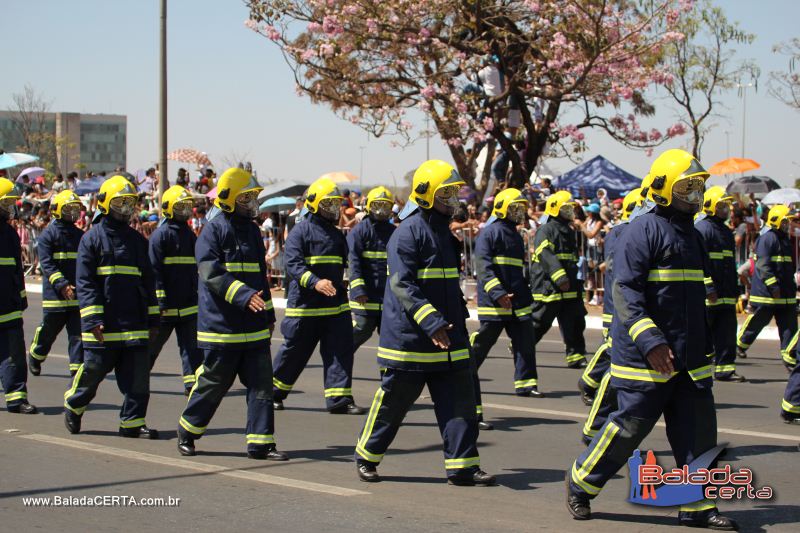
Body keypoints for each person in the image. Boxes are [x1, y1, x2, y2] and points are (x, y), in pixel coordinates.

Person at [566, 149, 737, 531]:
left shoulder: (693, 235)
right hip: (648, 356)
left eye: (698, 187)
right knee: (628, 430)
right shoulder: (641, 231)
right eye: (687, 187)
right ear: (663, 191)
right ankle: (580, 483)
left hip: (689, 358)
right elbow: (626, 291)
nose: (696, 194)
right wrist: (652, 342)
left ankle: (696, 507)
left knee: (698, 433)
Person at [354, 160, 495, 486]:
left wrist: (455, 321)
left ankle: (463, 466)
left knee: (461, 402)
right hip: (412, 340)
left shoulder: (443, 232)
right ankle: (367, 455)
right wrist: (431, 322)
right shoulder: (407, 233)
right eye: (446, 193)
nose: (453, 199)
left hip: (450, 337)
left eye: (453, 193)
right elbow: (404, 285)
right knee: (393, 404)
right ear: (426, 195)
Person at [177, 168, 287, 460]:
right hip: (221, 327)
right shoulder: (213, 230)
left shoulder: (251, 229)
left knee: (262, 385)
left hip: (252, 325)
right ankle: (188, 430)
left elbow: (259, 275)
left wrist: (266, 313)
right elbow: (210, 272)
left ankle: (261, 443)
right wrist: (242, 295)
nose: (252, 202)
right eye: (246, 197)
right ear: (229, 200)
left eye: (253, 196)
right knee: (214, 383)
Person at [64, 175, 160, 438]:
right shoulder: (91, 239)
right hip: (104, 325)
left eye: (130, 202)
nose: (127, 208)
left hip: (135, 323)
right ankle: (74, 404)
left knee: (139, 379)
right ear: (105, 204)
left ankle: (132, 422)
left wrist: (153, 319)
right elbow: (85, 283)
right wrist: (93, 318)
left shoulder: (138, 241)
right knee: (93, 373)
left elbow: (148, 282)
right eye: (121, 203)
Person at [271, 177, 366, 415]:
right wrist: (315, 282)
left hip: (335, 307)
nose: (334, 209)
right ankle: (273, 393)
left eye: (336, 204)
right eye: (329, 204)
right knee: (294, 353)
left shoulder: (336, 235)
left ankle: (339, 399)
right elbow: (293, 264)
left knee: (340, 351)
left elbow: (350, 263)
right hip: (306, 307)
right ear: (314, 205)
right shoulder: (299, 232)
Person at [579, 186, 645, 445]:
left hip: (633, 311)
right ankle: (594, 420)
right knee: (615, 362)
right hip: (620, 309)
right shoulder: (621, 232)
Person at [471, 188, 541, 429]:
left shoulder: (515, 235)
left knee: (525, 341)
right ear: (501, 208)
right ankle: (463, 372)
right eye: (514, 208)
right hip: (495, 302)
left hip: (518, 301)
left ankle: (526, 383)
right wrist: (499, 294)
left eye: (521, 208)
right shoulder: (489, 233)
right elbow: (483, 267)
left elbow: (519, 270)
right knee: (481, 346)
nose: (519, 212)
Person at [148, 185, 203, 395]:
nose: (186, 211)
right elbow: (154, 272)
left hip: (188, 306)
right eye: (181, 207)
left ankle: (192, 385)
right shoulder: (160, 236)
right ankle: (139, 379)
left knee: (192, 351)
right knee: (152, 348)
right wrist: (160, 302)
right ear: (169, 208)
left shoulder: (190, 236)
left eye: (188, 207)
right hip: (166, 308)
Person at [28, 190, 85, 377]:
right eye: (69, 209)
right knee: (49, 331)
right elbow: (47, 265)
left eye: (76, 209)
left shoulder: (80, 236)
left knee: (78, 335)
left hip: (76, 296)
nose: (73, 213)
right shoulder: (48, 236)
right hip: (55, 297)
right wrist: (62, 285)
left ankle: (76, 370)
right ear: (57, 210)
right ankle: (36, 355)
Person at [736, 204, 798, 371]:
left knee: (790, 327)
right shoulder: (768, 239)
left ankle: (790, 358)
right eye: (786, 221)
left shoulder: (785, 240)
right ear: (776, 221)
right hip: (767, 295)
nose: (789, 224)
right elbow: (763, 267)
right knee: (758, 322)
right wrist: (773, 286)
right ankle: (740, 345)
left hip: (785, 295)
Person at [530, 191, 588, 368]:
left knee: (575, 321)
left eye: (571, 207)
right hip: (551, 285)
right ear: (555, 210)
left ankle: (576, 356)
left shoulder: (568, 231)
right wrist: (561, 277)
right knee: (540, 321)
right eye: (567, 208)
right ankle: (522, 344)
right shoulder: (546, 230)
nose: (571, 211)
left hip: (569, 285)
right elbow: (545, 255)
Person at [696, 187, 744, 382]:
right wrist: (708, 288)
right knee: (702, 335)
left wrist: (735, 290)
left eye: (727, 206)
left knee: (727, 334)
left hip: (725, 294)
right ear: (711, 206)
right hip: (709, 296)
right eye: (722, 205)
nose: (726, 210)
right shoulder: (703, 229)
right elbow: (699, 263)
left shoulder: (725, 231)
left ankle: (725, 370)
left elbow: (729, 264)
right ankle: (698, 370)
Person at [0, 178, 37, 414]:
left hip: (9, 305)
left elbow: (16, 271)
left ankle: (16, 398)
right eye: (7, 203)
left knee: (14, 355)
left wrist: (22, 297)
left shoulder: (11, 234)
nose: (11, 208)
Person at [348, 186, 396, 351]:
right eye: (377, 205)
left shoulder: (395, 232)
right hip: (366, 296)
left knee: (391, 340)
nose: (381, 210)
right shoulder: (359, 231)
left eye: (386, 206)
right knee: (361, 330)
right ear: (369, 206)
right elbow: (354, 262)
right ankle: (339, 361)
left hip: (388, 296)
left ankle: (389, 374)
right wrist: (358, 290)